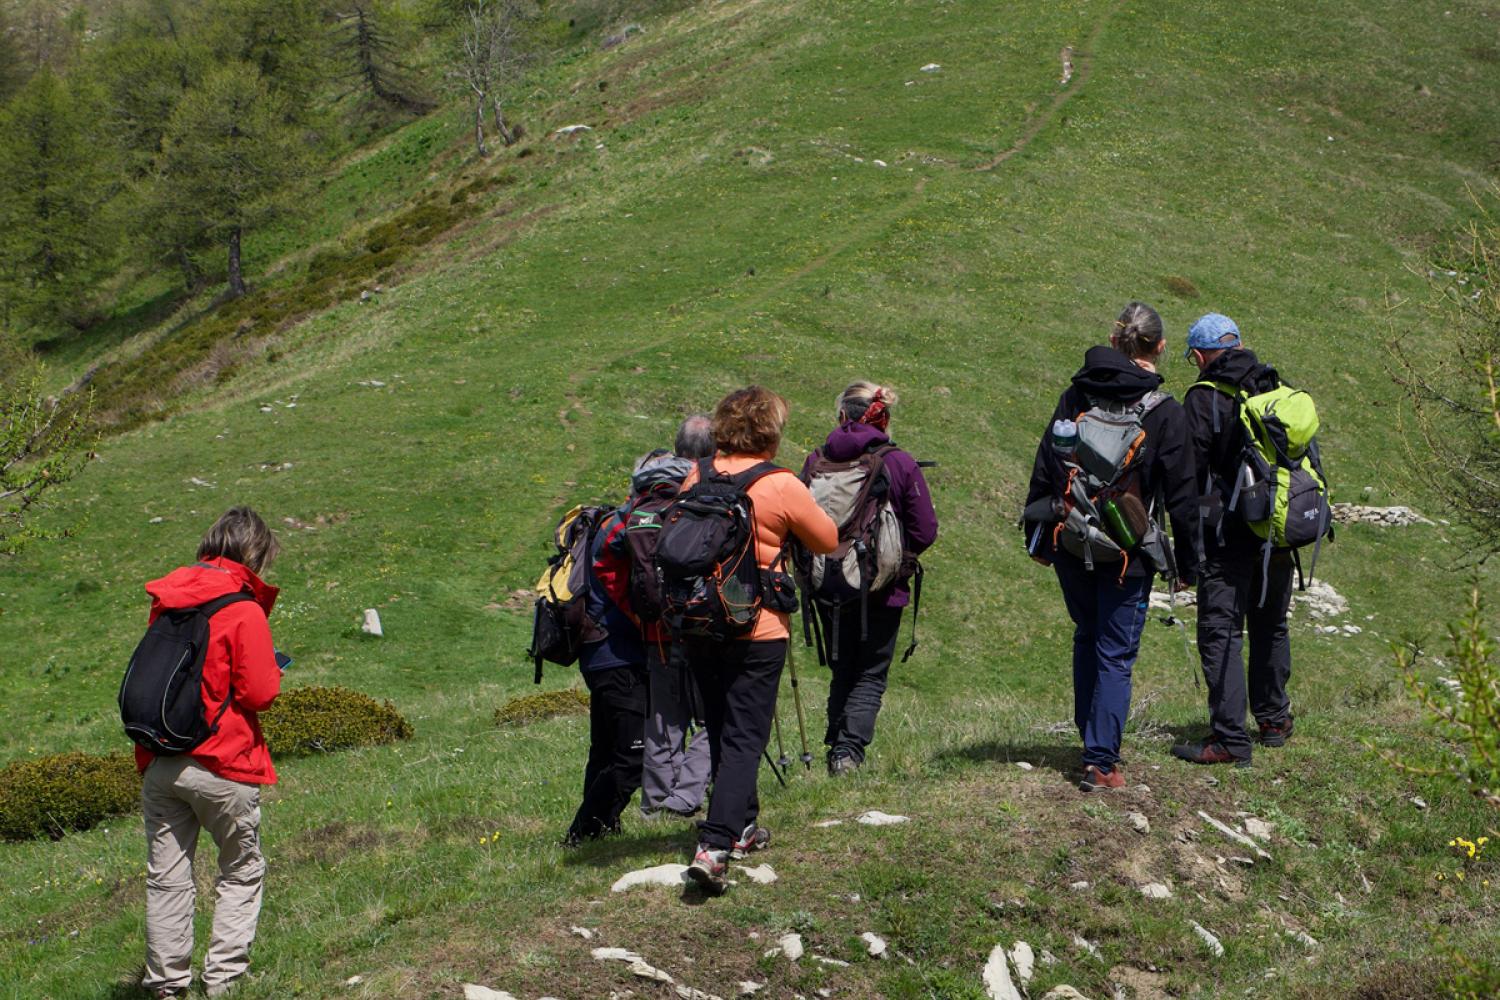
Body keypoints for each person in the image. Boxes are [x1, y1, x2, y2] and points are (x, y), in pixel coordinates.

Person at [1023, 303, 1198, 791]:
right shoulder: (1165, 411)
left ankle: (1091, 744)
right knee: (1115, 653)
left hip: (1070, 537)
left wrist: (1037, 534)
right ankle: (1101, 762)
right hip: (1129, 549)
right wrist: (1187, 563)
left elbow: (1046, 465)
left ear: (1115, 338)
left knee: (1086, 635)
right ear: (1159, 346)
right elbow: (1182, 493)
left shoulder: (1076, 394)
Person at [679, 386, 838, 894]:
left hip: (701, 621)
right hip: (758, 625)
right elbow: (827, 540)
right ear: (770, 432)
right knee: (747, 734)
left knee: (724, 726)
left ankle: (742, 822)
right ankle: (716, 842)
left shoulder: (697, 474)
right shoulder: (780, 483)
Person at [138, 508, 282, 999]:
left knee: (167, 880)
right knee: (240, 870)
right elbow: (260, 692)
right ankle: (223, 982)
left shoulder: (167, 600)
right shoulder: (243, 609)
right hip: (222, 764)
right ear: (255, 554)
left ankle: (167, 986)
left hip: (161, 764)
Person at [1171, 313, 1296, 767]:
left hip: (1228, 537)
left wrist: (1186, 542)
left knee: (1222, 633)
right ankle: (1274, 720)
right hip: (1278, 532)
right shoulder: (1274, 386)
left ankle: (1229, 739)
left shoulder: (1205, 398)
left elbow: (1189, 474)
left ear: (1202, 355)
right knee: (1271, 624)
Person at [802, 382, 937, 775]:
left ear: (842, 415)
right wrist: (895, 560)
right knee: (870, 672)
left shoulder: (816, 460)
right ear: (883, 418)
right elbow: (925, 529)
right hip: (881, 589)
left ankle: (835, 745)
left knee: (843, 666)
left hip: (827, 584)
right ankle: (848, 753)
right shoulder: (897, 461)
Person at [564, 466, 651, 845]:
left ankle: (602, 826)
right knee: (632, 757)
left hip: (598, 653)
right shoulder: (630, 529)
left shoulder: (609, 524)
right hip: (620, 655)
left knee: (604, 749)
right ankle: (583, 833)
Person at [636, 415, 715, 818]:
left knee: (663, 720)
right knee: (718, 713)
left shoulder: (645, 490)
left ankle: (655, 804)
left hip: (655, 629)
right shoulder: (707, 492)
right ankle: (687, 795)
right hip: (702, 625)